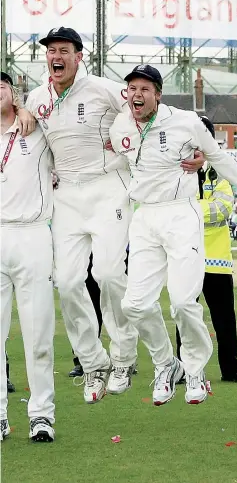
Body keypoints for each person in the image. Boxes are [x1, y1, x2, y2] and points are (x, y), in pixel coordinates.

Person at [110, 65, 237, 407]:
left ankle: (194, 371)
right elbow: (113, 159)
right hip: (144, 217)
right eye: (132, 88)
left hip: (181, 212)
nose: (137, 94)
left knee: (181, 301)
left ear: (158, 95)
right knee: (134, 304)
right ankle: (166, 364)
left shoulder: (185, 122)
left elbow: (218, 156)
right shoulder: (120, 126)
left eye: (145, 88)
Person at [22, 27, 140, 403]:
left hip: (108, 186)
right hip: (67, 195)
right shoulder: (38, 98)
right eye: (50, 51)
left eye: (64, 50)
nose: (56, 56)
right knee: (69, 281)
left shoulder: (104, 88)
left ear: (79, 56)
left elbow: (144, 111)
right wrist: (22, 114)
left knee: (107, 273)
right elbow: (22, 128)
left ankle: (123, 355)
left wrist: (123, 134)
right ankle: (93, 363)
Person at [175, 116, 237, 384]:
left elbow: (223, 209)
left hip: (216, 259)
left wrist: (188, 212)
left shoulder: (219, 172)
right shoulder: (176, 170)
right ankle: (183, 369)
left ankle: (230, 369)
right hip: (185, 255)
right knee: (184, 315)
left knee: (224, 320)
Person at [0, 71, 56, 442]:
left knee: (38, 332)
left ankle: (41, 414)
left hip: (33, 233)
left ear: (13, 93)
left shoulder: (35, 129)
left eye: (1, 86)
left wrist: (29, 112)